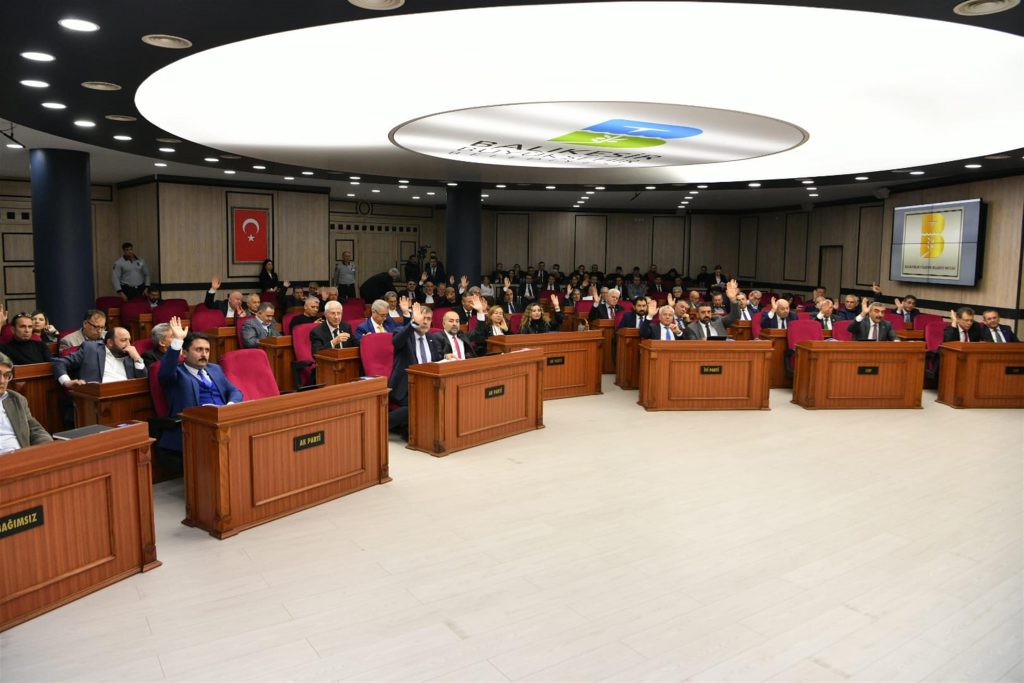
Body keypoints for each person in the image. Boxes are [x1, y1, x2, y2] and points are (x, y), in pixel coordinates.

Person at [158, 317, 243, 453]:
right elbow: (166, 372)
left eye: (207, 350)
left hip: (225, 422)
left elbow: (235, 391)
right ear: (184, 353)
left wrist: (231, 405)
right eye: (198, 350)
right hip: (195, 430)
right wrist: (177, 341)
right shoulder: (176, 373)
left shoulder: (214, 369)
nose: (204, 354)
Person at [387, 303, 441, 437]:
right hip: (405, 388)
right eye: (422, 318)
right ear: (414, 319)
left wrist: (446, 357)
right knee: (421, 404)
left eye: (429, 319)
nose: (425, 322)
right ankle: (381, 424)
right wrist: (413, 324)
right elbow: (397, 341)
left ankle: (405, 430)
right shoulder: (403, 333)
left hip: (427, 386)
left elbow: (437, 363)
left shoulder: (432, 339)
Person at [53, 328, 146, 387]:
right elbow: (60, 363)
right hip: (97, 398)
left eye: (129, 340)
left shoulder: (130, 355)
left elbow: (144, 382)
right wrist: (66, 381)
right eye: (123, 340)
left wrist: (137, 359)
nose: (128, 344)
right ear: (110, 342)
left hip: (127, 396)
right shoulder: (90, 349)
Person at [0, 352, 52, 453]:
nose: (2, 381)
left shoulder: (17, 399)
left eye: (6, 375)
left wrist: (46, 448)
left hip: (20, 456)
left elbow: (35, 430)